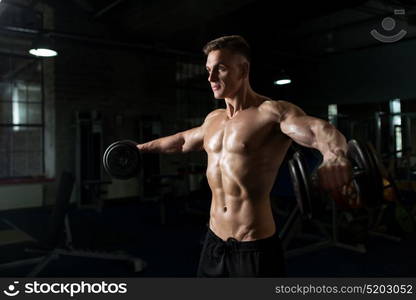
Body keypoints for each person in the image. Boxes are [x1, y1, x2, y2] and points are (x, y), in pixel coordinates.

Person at [137, 35, 351, 277]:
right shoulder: (213, 120)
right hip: (214, 241)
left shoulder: (271, 112)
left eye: (221, 68)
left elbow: (318, 130)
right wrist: (140, 149)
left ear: (243, 69)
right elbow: (182, 141)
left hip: (254, 247)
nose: (211, 78)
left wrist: (335, 155)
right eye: (208, 70)